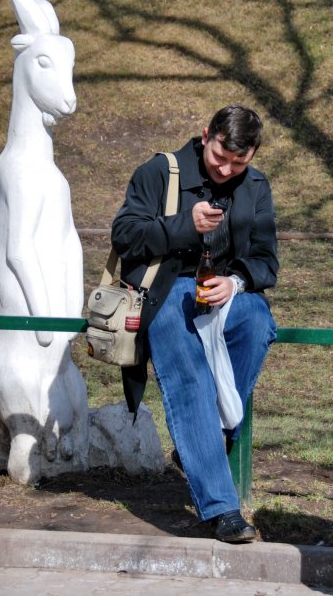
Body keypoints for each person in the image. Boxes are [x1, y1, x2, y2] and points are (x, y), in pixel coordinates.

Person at [111, 104, 278, 543]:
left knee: (258, 320)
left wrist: (236, 281)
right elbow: (124, 235)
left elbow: (266, 260)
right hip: (165, 293)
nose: (225, 169)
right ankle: (222, 508)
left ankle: (211, 438)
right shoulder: (159, 171)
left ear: (253, 156)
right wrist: (185, 225)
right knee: (190, 379)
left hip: (222, 294)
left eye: (238, 162)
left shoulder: (257, 187)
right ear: (207, 135)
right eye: (220, 154)